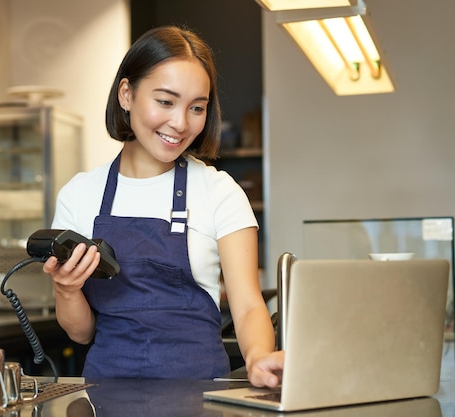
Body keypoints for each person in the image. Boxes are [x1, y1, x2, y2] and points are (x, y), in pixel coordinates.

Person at [43, 25, 283, 387]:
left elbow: (248, 305)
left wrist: (259, 357)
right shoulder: (79, 195)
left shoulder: (219, 191)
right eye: (166, 101)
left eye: (197, 107)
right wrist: (66, 289)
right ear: (127, 94)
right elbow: (80, 333)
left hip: (200, 398)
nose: (181, 123)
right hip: (106, 398)